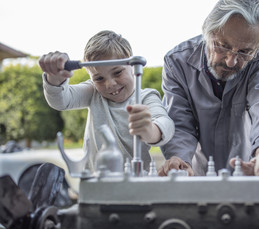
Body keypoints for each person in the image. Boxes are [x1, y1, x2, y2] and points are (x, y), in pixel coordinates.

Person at [158, 0, 259, 176]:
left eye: (245, 52)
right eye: (223, 46)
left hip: (250, 173)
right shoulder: (177, 62)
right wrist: (180, 162)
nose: (231, 61)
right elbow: (180, 124)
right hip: (198, 174)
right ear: (208, 32)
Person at [39, 30, 174, 172]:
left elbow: (165, 124)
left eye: (117, 72)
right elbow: (61, 101)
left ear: (132, 66)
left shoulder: (146, 97)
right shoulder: (93, 92)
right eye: (99, 78)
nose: (110, 84)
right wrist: (54, 79)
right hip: (96, 183)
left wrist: (149, 130)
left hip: (135, 184)